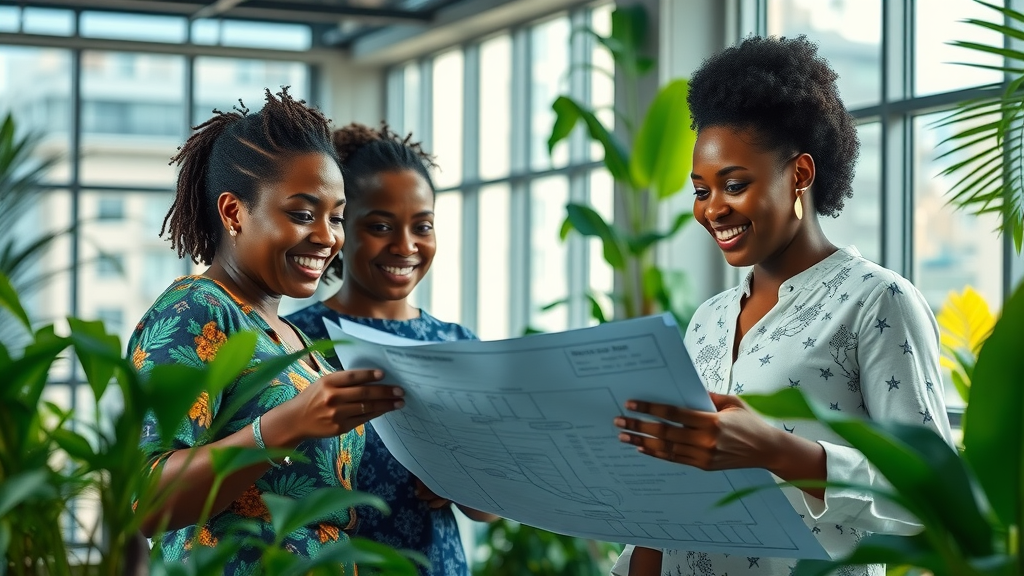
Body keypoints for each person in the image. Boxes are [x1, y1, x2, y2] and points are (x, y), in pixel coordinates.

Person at [611, 36, 954, 576]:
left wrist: (780, 452)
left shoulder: (877, 302)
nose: (712, 209)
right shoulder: (708, 319)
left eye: (734, 184)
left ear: (799, 175)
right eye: (701, 190)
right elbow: (668, 499)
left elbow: (935, 499)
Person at [130, 89, 405, 575]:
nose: (326, 237)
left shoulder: (295, 340)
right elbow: (147, 498)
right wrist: (286, 424)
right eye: (302, 214)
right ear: (234, 212)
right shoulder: (195, 310)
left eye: (336, 217)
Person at [287, 122, 499, 576]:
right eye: (381, 226)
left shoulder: (458, 346)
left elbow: (489, 510)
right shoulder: (295, 342)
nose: (405, 246)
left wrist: (462, 479)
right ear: (342, 228)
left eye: (422, 226)